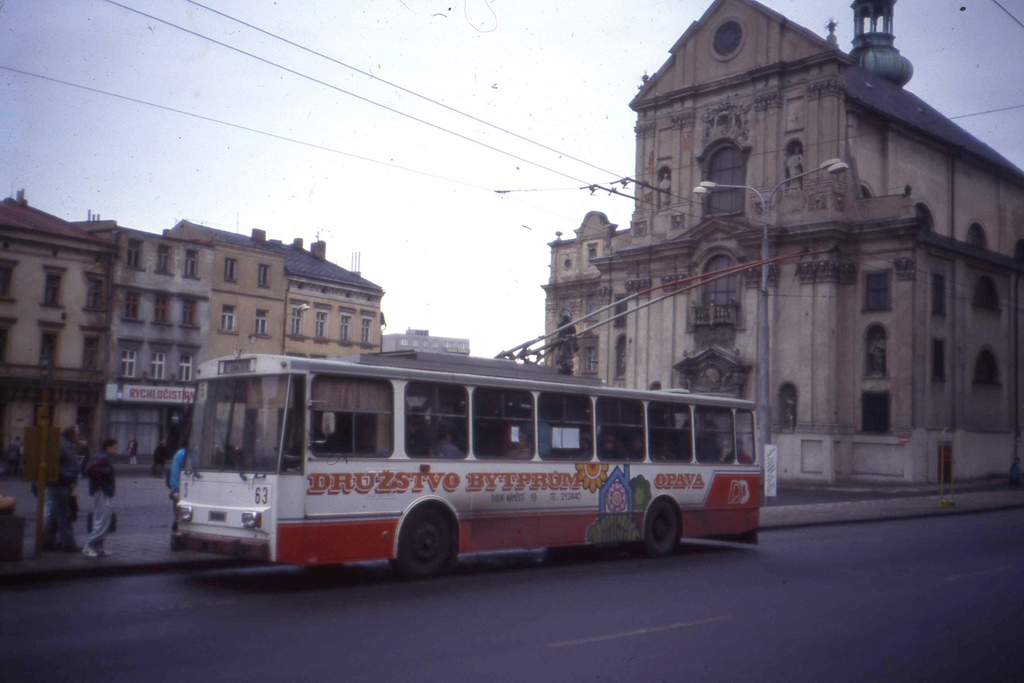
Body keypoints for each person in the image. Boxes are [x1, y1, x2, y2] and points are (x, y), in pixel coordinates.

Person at [43, 425, 81, 552]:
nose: (78, 436)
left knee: (55, 515)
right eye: (77, 433)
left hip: (63, 484)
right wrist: (64, 475)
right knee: (64, 514)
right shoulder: (62, 445)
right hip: (59, 484)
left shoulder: (68, 445)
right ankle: (68, 544)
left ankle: (46, 541)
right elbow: (52, 464)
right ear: (71, 434)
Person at [83, 438, 117, 558]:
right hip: (102, 491)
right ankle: (90, 545)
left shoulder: (103, 457)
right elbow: (91, 471)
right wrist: (100, 485)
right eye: (114, 448)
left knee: (103, 518)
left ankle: (98, 546)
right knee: (103, 519)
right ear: (108, 447)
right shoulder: (104, 458)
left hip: (103, 491)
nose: (115, 450)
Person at [168, 445, 188, 533]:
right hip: (181, 489)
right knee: (179, 516)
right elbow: (174, 473)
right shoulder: (181, 454)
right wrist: (175, 490)